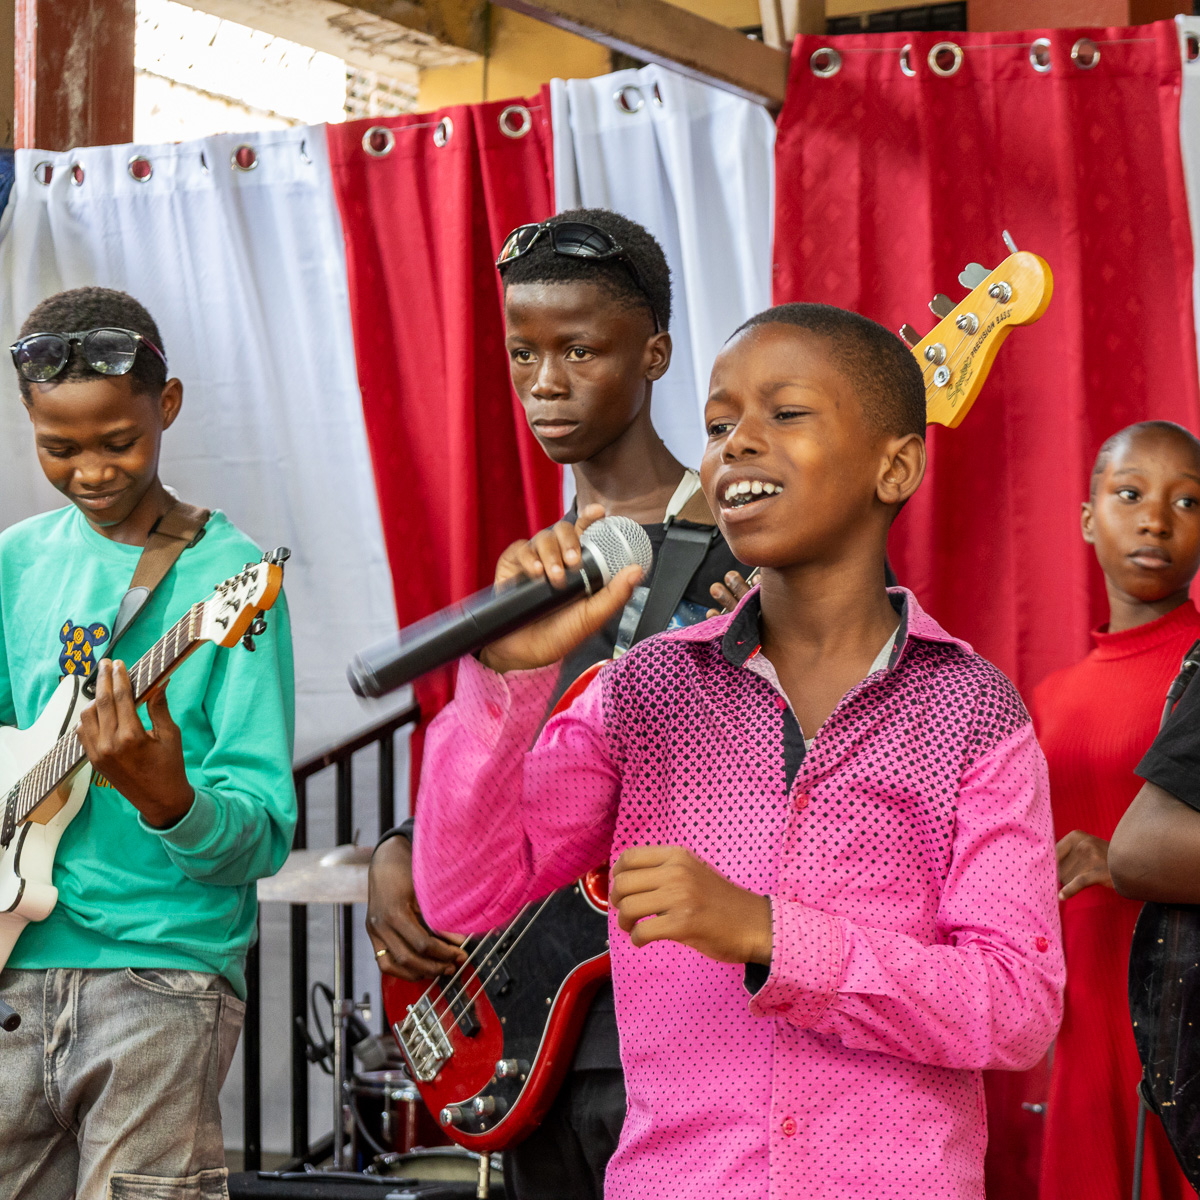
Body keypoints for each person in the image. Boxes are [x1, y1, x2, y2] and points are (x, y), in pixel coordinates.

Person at [409, 302, 1064, 1199]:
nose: (734, 446)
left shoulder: (973, 712)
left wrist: (767, 935)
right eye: (718, 424)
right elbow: (465, 892)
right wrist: (504, 678)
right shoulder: (640, 692)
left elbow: (1018, 1009)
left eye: (784, 413)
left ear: (895, 464)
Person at [365, 210, 746, 1199]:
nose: (545, 382)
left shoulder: (739, 553)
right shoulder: (540, 569)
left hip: (677, 1021)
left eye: (581, 349)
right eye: (523, 351)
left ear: (654, 353)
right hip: (538, 1018)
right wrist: (403, 849)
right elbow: (523, 765)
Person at [0, 287, 296, 1200]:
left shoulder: (235, 579)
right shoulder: (15, 562)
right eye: (60, 447)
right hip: (15, 973)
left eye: (117, 442)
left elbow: (263, 832)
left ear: (166, 409)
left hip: (161, 978)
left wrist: (166, 797)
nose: (91, 469)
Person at [1031, 421, 1200, 1200]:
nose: (1155, 519)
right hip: (1080, 999)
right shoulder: (1051, 698)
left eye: (1187, 502)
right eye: (1129, 494)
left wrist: (1117, 858)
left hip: (1174, 996)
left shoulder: (1196, 669)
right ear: (1088, 515)